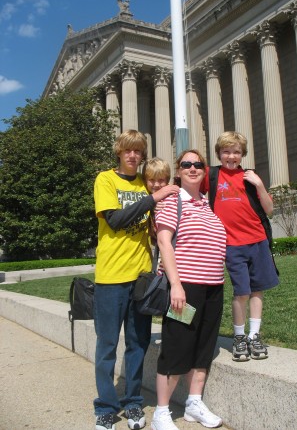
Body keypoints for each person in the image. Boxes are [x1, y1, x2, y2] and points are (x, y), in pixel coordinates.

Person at [93, 130, 179, 430]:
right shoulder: (105, 180)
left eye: (138, 151)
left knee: (138, 344)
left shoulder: (146, 183)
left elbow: (156, 225)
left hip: (142, 277)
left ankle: (132, 403)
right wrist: (154, 197)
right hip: (110, 277)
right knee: (106, 345)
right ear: (119, 151)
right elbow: (115, 220)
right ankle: (105, 407)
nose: (133, 156)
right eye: (128, 150)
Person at [151, 150, 227, 430]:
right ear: (179, 171)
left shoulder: (207, 204)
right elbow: (164, 244)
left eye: (198, 164)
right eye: (187, 164)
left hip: (213, 288)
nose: (193, 168)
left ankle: (194, 403)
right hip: (185, 289)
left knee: (203, 348)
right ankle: (161, 412)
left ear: (204, 170)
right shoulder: (173, 202)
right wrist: (175, 285)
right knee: (177, 347)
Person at [201, 131, 279, 362]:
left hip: (257, 240)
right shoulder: (211, 175)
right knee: (241, 292)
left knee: (257, 289)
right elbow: (190, 183)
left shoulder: (250, 176)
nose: (231, 156)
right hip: (231, 244)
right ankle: (239, 336)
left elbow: (269, 210)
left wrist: (260, 185)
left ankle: (254, 336)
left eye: (236, 152)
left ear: (242, 154)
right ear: (219, 153)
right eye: (226, 151)